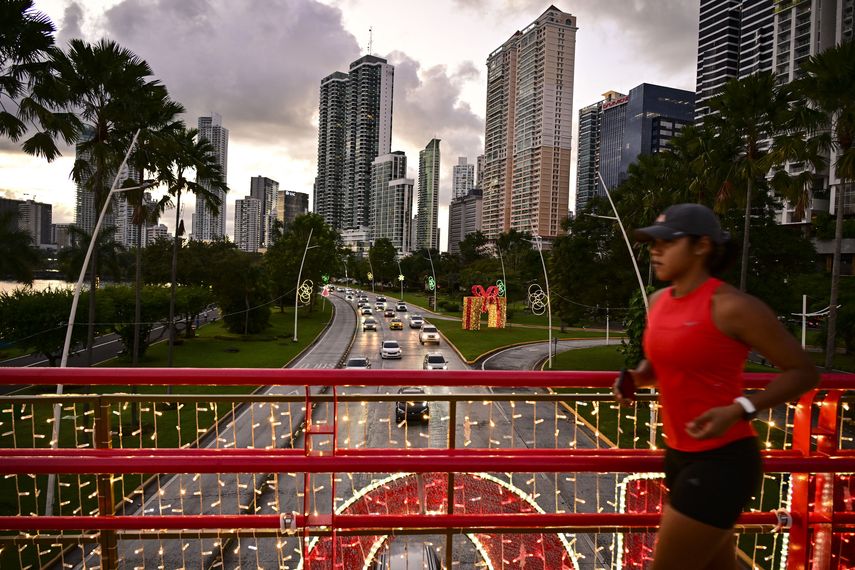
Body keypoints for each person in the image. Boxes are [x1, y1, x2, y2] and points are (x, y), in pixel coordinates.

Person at [614, 203, 819, 570]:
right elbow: (657, 365)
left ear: (701, 245)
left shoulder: (732, 307)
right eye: (651, 243)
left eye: (666, 242)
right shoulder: (659, 301)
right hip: (678, 456)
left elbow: (803, 372)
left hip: (724, 462)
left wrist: (740, 409)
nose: (654, 250)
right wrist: (636, 378)